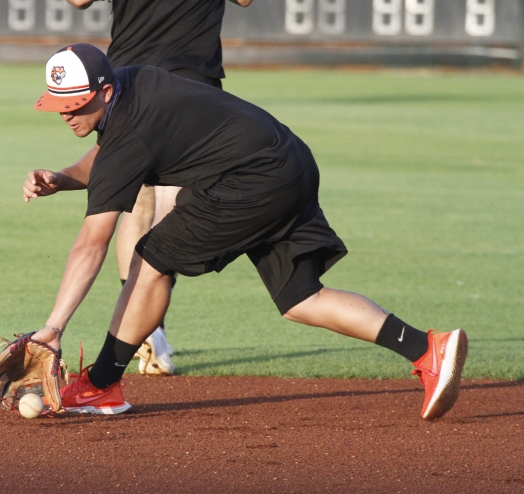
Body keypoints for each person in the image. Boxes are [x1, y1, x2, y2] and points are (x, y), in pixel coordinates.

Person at [23, 44, 467, 420]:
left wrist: (53, 326)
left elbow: (91, 242)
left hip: (252, 179)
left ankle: (102, 384)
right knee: (300, 298)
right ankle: (428, 350)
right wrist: (63, 178)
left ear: (104, 90)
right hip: (287, 161)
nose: (66, 114)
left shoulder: (129, 131)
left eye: (76, 104)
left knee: (153, 258)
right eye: (59, 103)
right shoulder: (132, 81)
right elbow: (108, 153)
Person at [53, 0, 262, 374]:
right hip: (195, 81)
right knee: (172, 205)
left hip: (130, 79)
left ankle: (148, 330)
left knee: (136, 204)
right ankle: (152, 326)